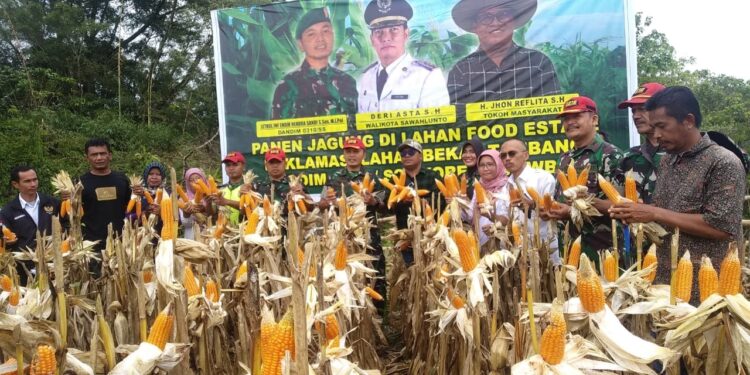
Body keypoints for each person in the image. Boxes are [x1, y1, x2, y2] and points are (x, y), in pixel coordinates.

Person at [610, 86, 746, 305]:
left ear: (688, 121)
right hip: (665, 283)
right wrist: (638, 212)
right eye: (653, 128)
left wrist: (653, 212)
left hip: (706, 292)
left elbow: (721, 227)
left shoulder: (723, 162)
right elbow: (667, 210)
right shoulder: (668, 160)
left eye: (662, 127)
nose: (656, 135)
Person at [542, 96, 622, 264]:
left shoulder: (611, 155)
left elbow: (620, 205)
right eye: (565, 118)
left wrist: (572, 211)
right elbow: (561, 200)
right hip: (568, 251)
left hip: (601, 252)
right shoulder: (564, 159)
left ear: (594, 119)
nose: (569, 122)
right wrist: (552, 210)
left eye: (576, 116)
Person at [448, 0, 560, 105]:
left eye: (503, 14)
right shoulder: (461, 71)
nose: (496, 22)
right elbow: (459, 119)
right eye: (486, 17)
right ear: (475, 26)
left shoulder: (538, 63)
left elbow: (553, 112)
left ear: (514, 20)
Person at [320, 136, 387, 308]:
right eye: (348, 151)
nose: (351, 155)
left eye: (355, 151)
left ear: (363, 153)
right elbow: (323, 205)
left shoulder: (372, 176)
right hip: (343, 236)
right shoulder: (333, 178)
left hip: (368, 234)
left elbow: (383, 206)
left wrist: (372, 201)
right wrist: (329, 202)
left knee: (375, 273)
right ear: (343, 154)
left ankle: (378, 316)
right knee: (346, 275)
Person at [357, 0, 450, 112]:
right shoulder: (366, 77)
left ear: (406, 34)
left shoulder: (427, 76)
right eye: (378, 31)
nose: (386, 37)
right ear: (372, 40)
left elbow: (437, 126)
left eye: (394, 29)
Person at [271, 7, 357, 119]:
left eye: (325, 31)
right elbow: (278, 133)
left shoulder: (347, 82)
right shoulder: (287, 86)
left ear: (333, 36)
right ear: (300, 44)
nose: (320, 38)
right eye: (311, 34)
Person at [500, 139, 559, 264]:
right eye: (503, 155)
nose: (507, 158)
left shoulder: (543, 178)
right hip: (517, 252)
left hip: (543, 250)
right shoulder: (505, 186)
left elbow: (553, 213)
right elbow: (505, 217)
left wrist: (533, 205)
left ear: (526, 155)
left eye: (512, 153)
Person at [1, 165, 61, 284]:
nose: (33, 184)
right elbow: (3, 236)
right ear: (15, 184)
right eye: (27, 181)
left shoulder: (52, 203)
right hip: (24, 270)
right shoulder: (8, 211)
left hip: (53, 266)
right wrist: (6, 241)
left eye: (35, 179)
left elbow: (67, 223)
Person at [391, 139, 441, 265]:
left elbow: (441, 202)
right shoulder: (396, 180)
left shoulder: (432, 176)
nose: (406, 155)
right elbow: (386, 206)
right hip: (405, 238)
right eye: (403, 153)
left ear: (420, 156)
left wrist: (421, 201)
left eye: (411, 152)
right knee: (410, 276)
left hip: (429, 236)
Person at [614, 82, 666, 204]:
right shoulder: (628, 157)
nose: (636, 116)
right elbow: (617, 201)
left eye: (643, 109)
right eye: (633, 111)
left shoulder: (681, 154)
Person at [79, 138, 133, 249]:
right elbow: (73, 212)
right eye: (94, 155)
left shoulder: (122, 180)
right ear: (87, 158)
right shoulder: (80, 183)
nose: (99, 158)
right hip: (91, 245)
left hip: (121, 242)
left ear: (110, 155)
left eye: (102, 154)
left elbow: (132, 208)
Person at [211, 151, 246, 225]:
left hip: (245, 231)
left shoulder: (249, 187)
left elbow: (252, 209)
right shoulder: (219, 189)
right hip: (224, 232)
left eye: (235, 165)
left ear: (243, 167)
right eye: (228, 165)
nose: (231, 168)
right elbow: (212, 214)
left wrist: (226, 202)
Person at [180, 168, 210, 240]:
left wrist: (205, 208)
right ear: (187, 183)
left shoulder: (211, 196)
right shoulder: (182, 199)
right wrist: (186, 213)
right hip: (192, 238)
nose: (195, 182)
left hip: (210, 236)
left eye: (198, 178)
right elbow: (186, 224)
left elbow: (216, 217)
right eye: (191, 180)